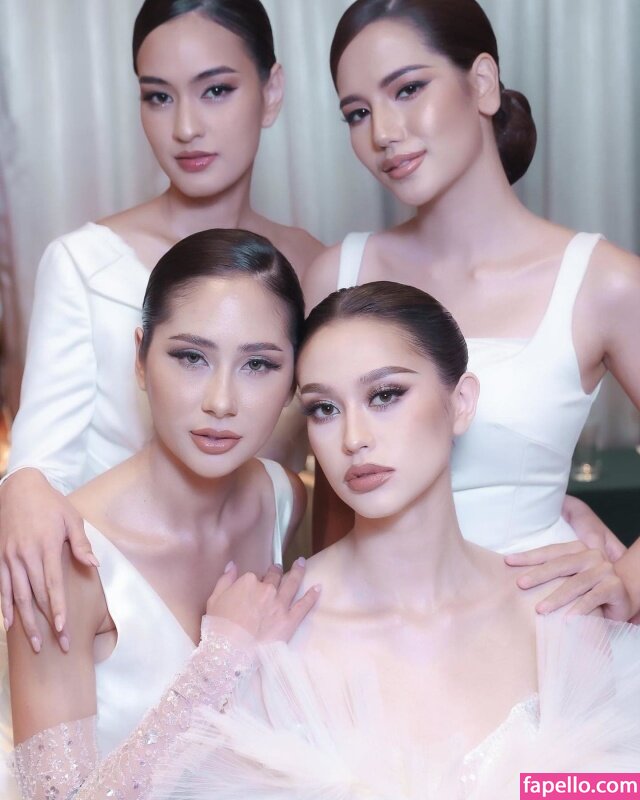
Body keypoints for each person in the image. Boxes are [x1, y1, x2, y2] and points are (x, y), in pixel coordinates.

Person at [152, 283, 640, 800]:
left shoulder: (558, 614)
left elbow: (602, 791)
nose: (354, 438)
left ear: (461, 403)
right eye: (324, 408)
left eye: (385, 395)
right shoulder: (272, 634)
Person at [0, 0, 324, 653]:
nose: (185, 128)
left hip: (263, 615)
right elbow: (38, 472)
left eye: (216, 90)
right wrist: (20, 487)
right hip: (113, 620)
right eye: (158, 97)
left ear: (272, 91)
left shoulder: (317, 271)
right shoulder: (86, 264)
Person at [303, 0, 640, 620]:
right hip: (372, 633)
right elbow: (327, 496)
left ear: (482, 82)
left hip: (544, 631)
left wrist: (628, 582)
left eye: (408, 89)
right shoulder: (335, 276)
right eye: (357, 112)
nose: (382, 133)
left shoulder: (602, 281)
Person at [1, 228, 320, 800]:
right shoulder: (65, 562)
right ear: (141, 360)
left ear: (294, 379)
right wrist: (222, 659)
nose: (220, 401)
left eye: (258, 364)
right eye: (190, 357)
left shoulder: (285, 500)